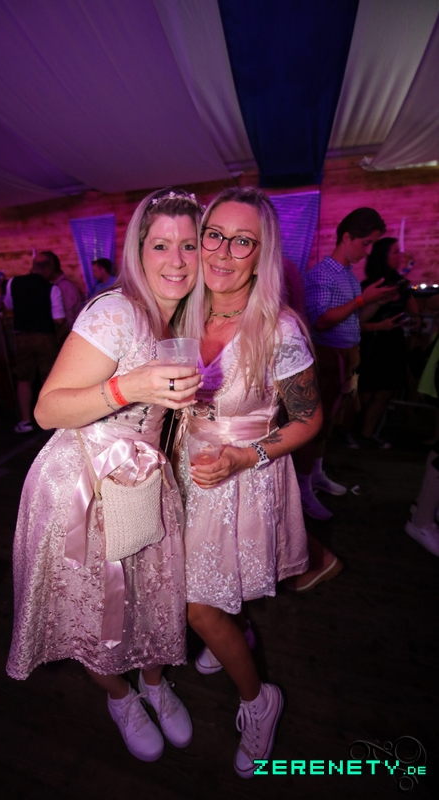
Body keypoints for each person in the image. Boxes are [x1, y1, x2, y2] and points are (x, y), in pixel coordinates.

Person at [6, 188, 204, 763]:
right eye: (160, 245)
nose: (175, 260)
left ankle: (154, 684)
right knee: (96, 611)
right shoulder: (114, 312)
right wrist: (130, 386)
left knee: (156, 598)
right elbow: (47, 410)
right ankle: (121, 697)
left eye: (188, 245)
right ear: (138, 253)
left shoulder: (182, 316)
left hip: (146, 480)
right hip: (83, 486)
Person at [176, 187, 322, 778]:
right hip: (185, 469)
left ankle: (260, 701)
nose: (223, 252)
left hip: (243, 475)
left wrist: (245, 457)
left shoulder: (278, 329)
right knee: (204, 589)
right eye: (214, 235)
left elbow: (309, 419)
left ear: (262, 256)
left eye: (243, 242)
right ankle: (231, 631)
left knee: (197, 608)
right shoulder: (183, 313)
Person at [295, 207, 398, 520]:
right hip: (327, 358)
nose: (368, 250)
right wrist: (363, 300)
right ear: (347, 237)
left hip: (346, 355)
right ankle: (302, 490)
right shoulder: (321, 273)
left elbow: (354, 318)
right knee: (314, 426)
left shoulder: (349, 275)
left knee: (328, 425)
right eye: (366, 243)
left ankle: (316, 475)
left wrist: (374, 302)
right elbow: (322, 321)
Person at [358, 237, 419, 447]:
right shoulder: (370, 285)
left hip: (393, 342)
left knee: (386, 391)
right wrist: (379, 321)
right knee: (366, 392)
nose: (400, 256)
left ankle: (367, 435)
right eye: (395, 252)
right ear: (383, 257)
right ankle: (350, 431)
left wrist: (415, 321)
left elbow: (413, 311)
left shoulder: (401, 284)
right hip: (372, 342)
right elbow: (358, 321)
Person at [4, 257, 65, 433]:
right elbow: (59, 319)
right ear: (48, 270)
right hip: (45, 337)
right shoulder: (52, 288)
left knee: (24, 379)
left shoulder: (13, 283)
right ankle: (54, 421)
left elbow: (8, 305)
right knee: (48, 379)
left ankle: (25, 421)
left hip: (21, 337)